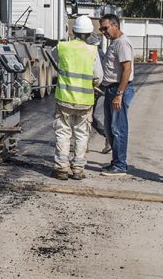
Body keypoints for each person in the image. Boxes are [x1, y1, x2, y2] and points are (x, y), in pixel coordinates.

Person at [52, 15, 103, 180]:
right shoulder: (92, 51)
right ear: (89, 34)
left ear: (73, 31)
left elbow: (55, 62)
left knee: (63, 133)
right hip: (85, 101)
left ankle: (61, 168)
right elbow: (98, 77)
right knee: (81, 134)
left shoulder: (62, 47)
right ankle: (78, 169)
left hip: (64, 99)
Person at [98, 14, 134, 177]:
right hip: (111, 89)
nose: (103, 32)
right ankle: (116, 162)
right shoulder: (114, 43)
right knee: (110, 128)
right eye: (101, 29)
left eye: (105, 28)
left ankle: (120, 165)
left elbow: (127, 69)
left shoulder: (122, 43)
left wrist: (119, 93)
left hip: (119, 90)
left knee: (118, 128)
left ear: (115, 25)